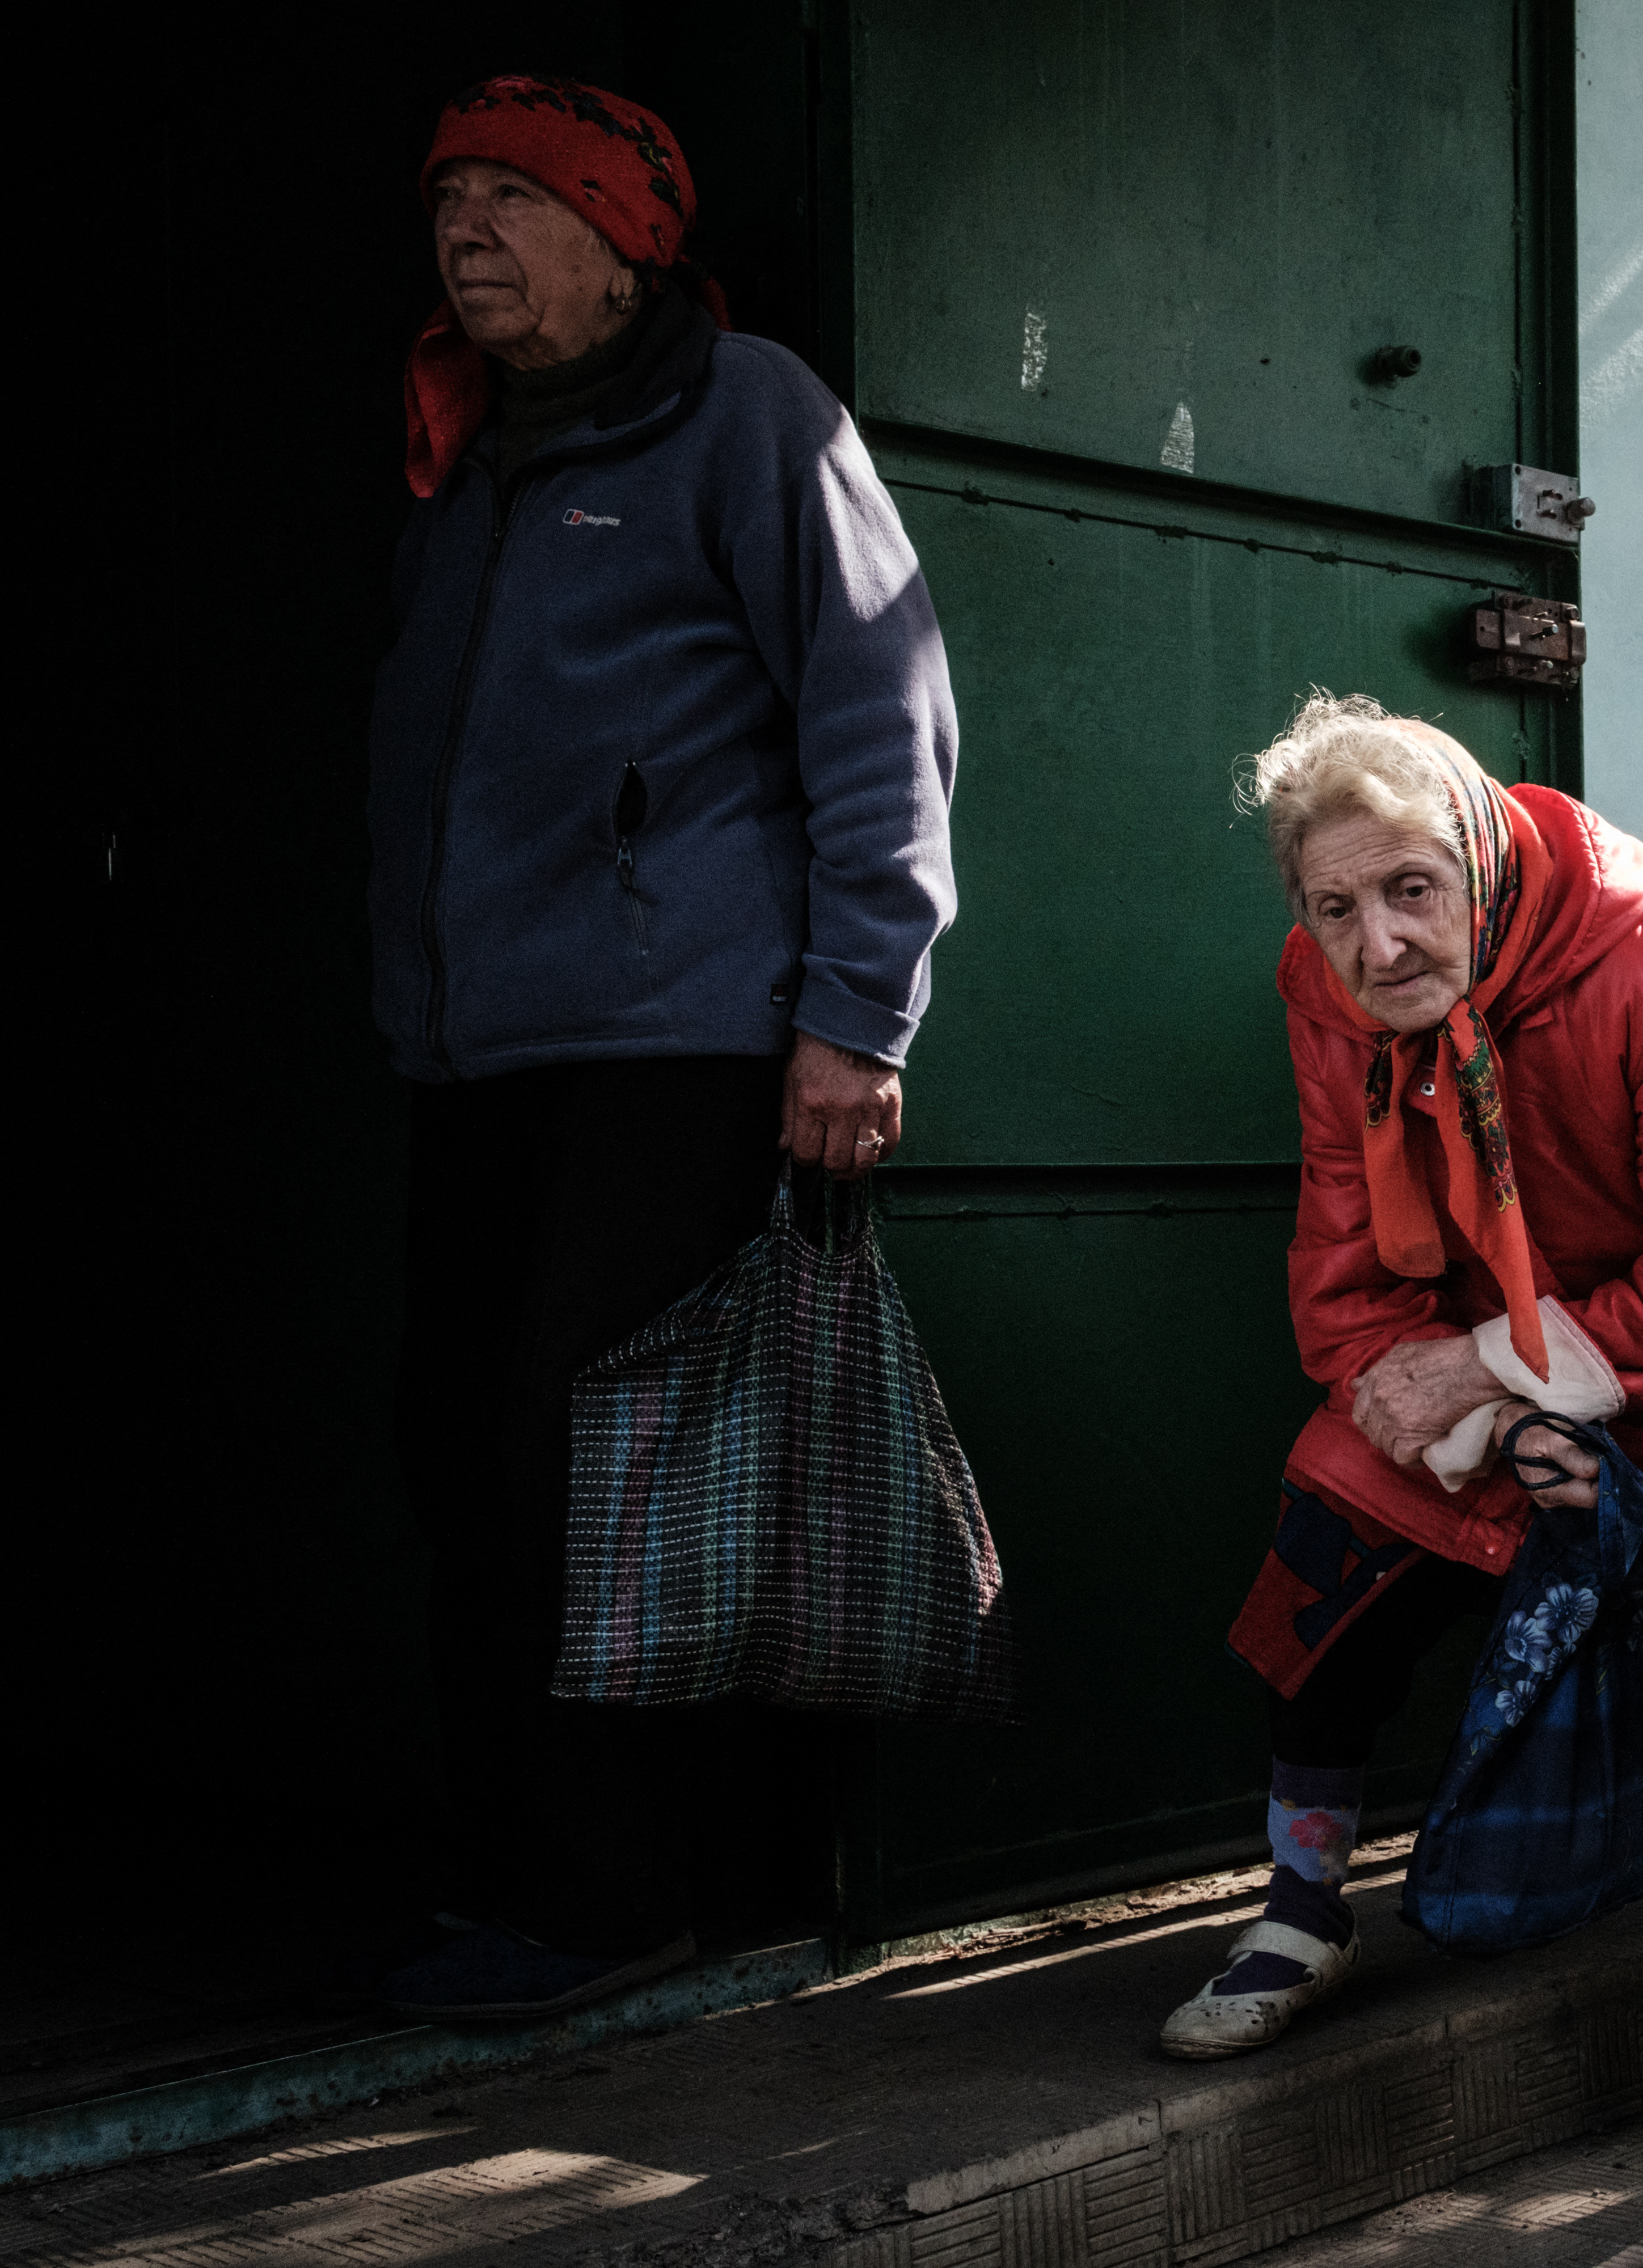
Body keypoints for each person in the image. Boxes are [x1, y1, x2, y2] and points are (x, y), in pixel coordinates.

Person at [365, 77, 958, 2021]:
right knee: (471, 1462)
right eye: (450, 195)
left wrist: (855, 1022)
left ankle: (630, 1905)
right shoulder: (467, 456)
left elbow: (884, 713)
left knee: (592, 1473)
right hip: (481, 1056)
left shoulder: (746, 411)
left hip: (684, 1046)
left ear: (625, 237)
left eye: (516, 198)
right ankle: (538, 1875)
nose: (469, 229)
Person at [1163, 695, 1643, 2204]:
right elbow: (1343, 1273)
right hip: (1513, 1335)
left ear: (1479, 864)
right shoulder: (1330, 997)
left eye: (1408, 891)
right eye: (1336, 906)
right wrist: (1485, 1406)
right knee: (1339, 1518)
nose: (1376, 945)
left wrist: (1495, 1372)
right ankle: (1307, 1903)